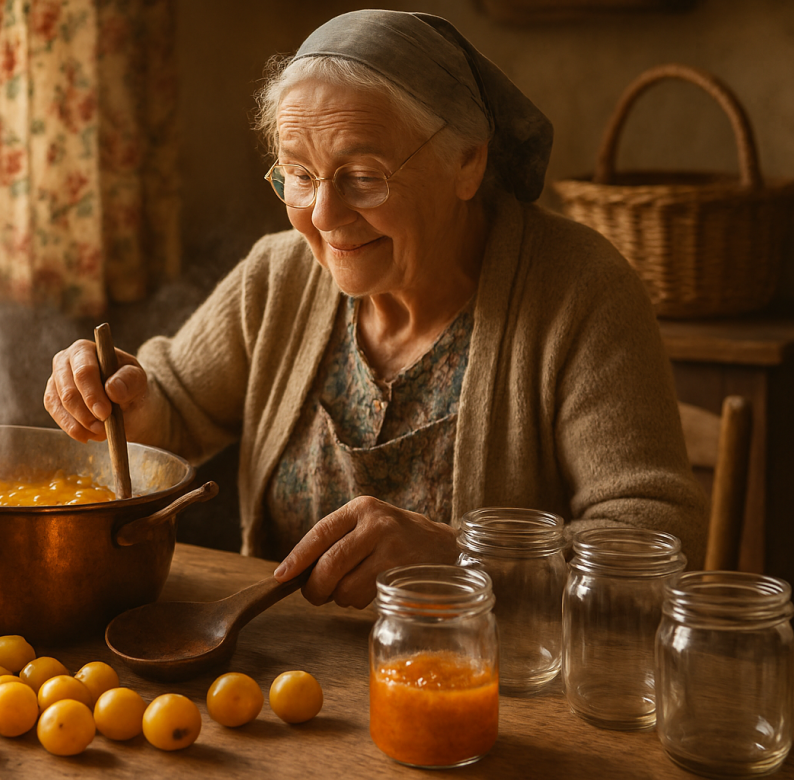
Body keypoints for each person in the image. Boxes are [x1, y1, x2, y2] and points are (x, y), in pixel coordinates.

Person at [44, 10, 706, 609]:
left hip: (497, 699)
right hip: (285, 684)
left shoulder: (578, 290)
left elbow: (655, 546)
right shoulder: (279, 275)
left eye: (362, 176)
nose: (325, 216)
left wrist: (463, 558)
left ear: (468, 163)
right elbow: (176, 406)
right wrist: (121, 399)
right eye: (298, 174)